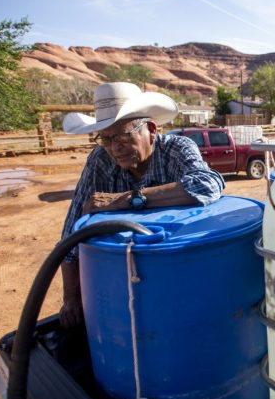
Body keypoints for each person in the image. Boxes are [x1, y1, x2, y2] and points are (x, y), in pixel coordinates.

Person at [58, 82, 224, 328]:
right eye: (106, 138)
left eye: (124, 135)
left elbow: (208, 184)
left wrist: (126, 199)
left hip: (177, 269)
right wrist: (71, 298)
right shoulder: (100, 159)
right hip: (121, 275)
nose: (115, 148)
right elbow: (72, 233)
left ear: (152, 130)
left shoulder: (177, 149)